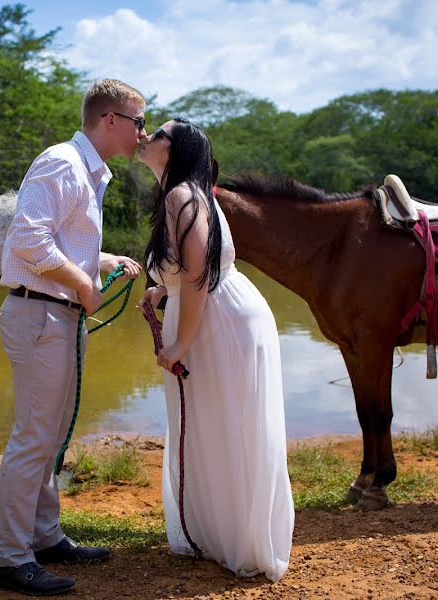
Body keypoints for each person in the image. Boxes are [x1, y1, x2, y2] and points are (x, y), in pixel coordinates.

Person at [0, 79, 145, 596]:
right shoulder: (62, 162)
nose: (142, 133)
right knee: (34, 438)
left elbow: (56, 241)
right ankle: (11, 560)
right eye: (138, 122)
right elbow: (26, 239)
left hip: (57, 316)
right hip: (41, 316)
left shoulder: (87, 171)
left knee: (52, 436)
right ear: (110, 120)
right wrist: (83, 283)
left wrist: (103, 262)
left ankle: (44, 536)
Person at [137, 118, 294, 580]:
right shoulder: (190, 192)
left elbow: (197, 273)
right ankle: (230, 533)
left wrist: (182, 341)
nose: (146, 137)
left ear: (176, 149)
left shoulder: (181, 196)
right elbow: (188, 268)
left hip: (214, 320)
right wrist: (160, 291)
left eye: (157, 134)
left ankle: (236, 540)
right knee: (223, 422)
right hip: (223, 311)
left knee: (222, 422)